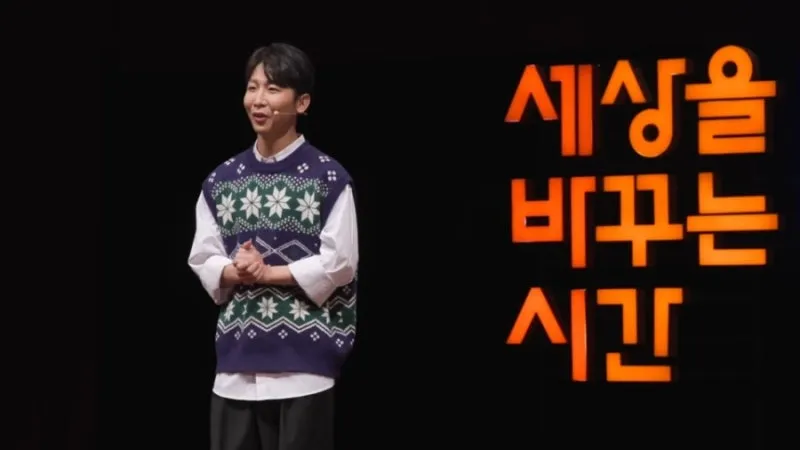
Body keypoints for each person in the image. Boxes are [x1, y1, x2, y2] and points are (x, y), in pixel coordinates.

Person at [188, 43, 358, 450]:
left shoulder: (328, 177)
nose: (259, 100)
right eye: (252, 87)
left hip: (304, 365)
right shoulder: (222, 179)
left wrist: (268, 273)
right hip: (235, 364)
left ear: (302, 103)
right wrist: (236, 270)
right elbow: (203, 256)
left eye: (273, 89)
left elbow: (340, 263)